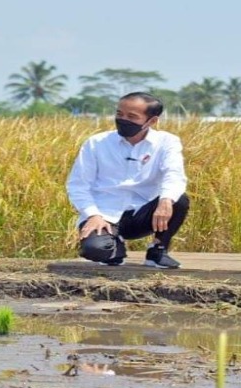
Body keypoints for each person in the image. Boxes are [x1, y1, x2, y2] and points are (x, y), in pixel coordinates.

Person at [66, 92, 190, 269]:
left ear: (151, 121)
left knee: (178, 199)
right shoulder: (96, 143)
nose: (123, 119)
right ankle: (114, 245)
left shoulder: (167, 142)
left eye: (132, 116)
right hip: (104, 214)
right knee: (96, 251)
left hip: (143, 213)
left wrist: (165, 200)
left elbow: (174, 175)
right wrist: (92, 215)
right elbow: (78, 185)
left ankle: (158, 250)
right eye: (119, 114)